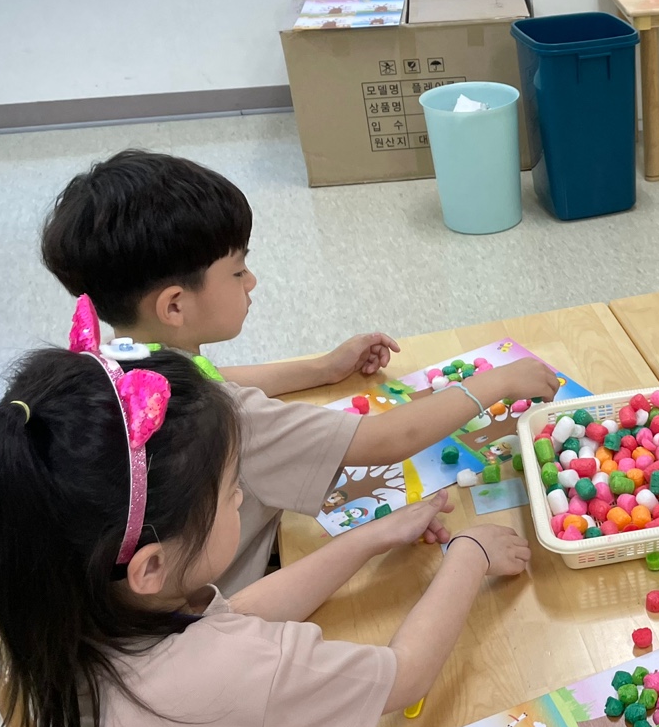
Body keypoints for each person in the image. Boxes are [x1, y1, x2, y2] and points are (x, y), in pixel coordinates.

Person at [0, 306, 532, 727]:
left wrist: (366, 540)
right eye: (230, 492)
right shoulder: (243, 675)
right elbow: (407, 676)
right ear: (149, 566)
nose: (244, 499)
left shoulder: (71, 614)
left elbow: (237, 615)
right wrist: (470, 556)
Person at [41, 150, 558, 591]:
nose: (252, 282)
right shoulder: (222, 419)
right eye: (238, 270)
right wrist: (500, 381)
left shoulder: (116, 364)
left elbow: (214, 376)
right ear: (175, 306)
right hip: (226, 610)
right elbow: (384, 439)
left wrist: (321, 368)